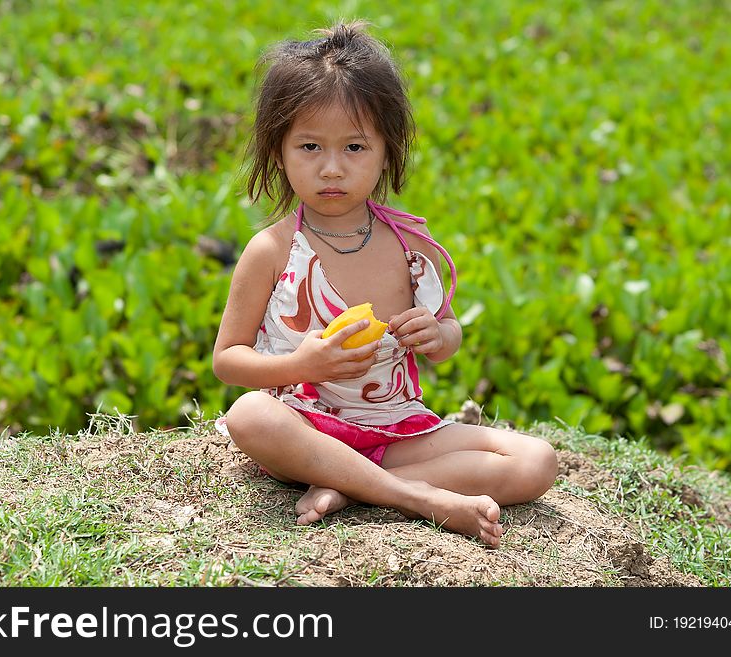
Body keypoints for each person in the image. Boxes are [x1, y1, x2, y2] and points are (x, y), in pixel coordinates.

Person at [212, 21, 557, 548]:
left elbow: (447, 334)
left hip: (396, 429)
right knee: (249, 414)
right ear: (277, 149)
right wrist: (303, 366)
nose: (332, 168)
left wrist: (439, 337)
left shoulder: (410, 247)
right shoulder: (273, 251)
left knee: (537, 460)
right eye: (309, 146)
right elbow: (228, 360)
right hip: (304, 430)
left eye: (354, 147)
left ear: (386, 149)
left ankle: (354, 488)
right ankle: (419, 498)